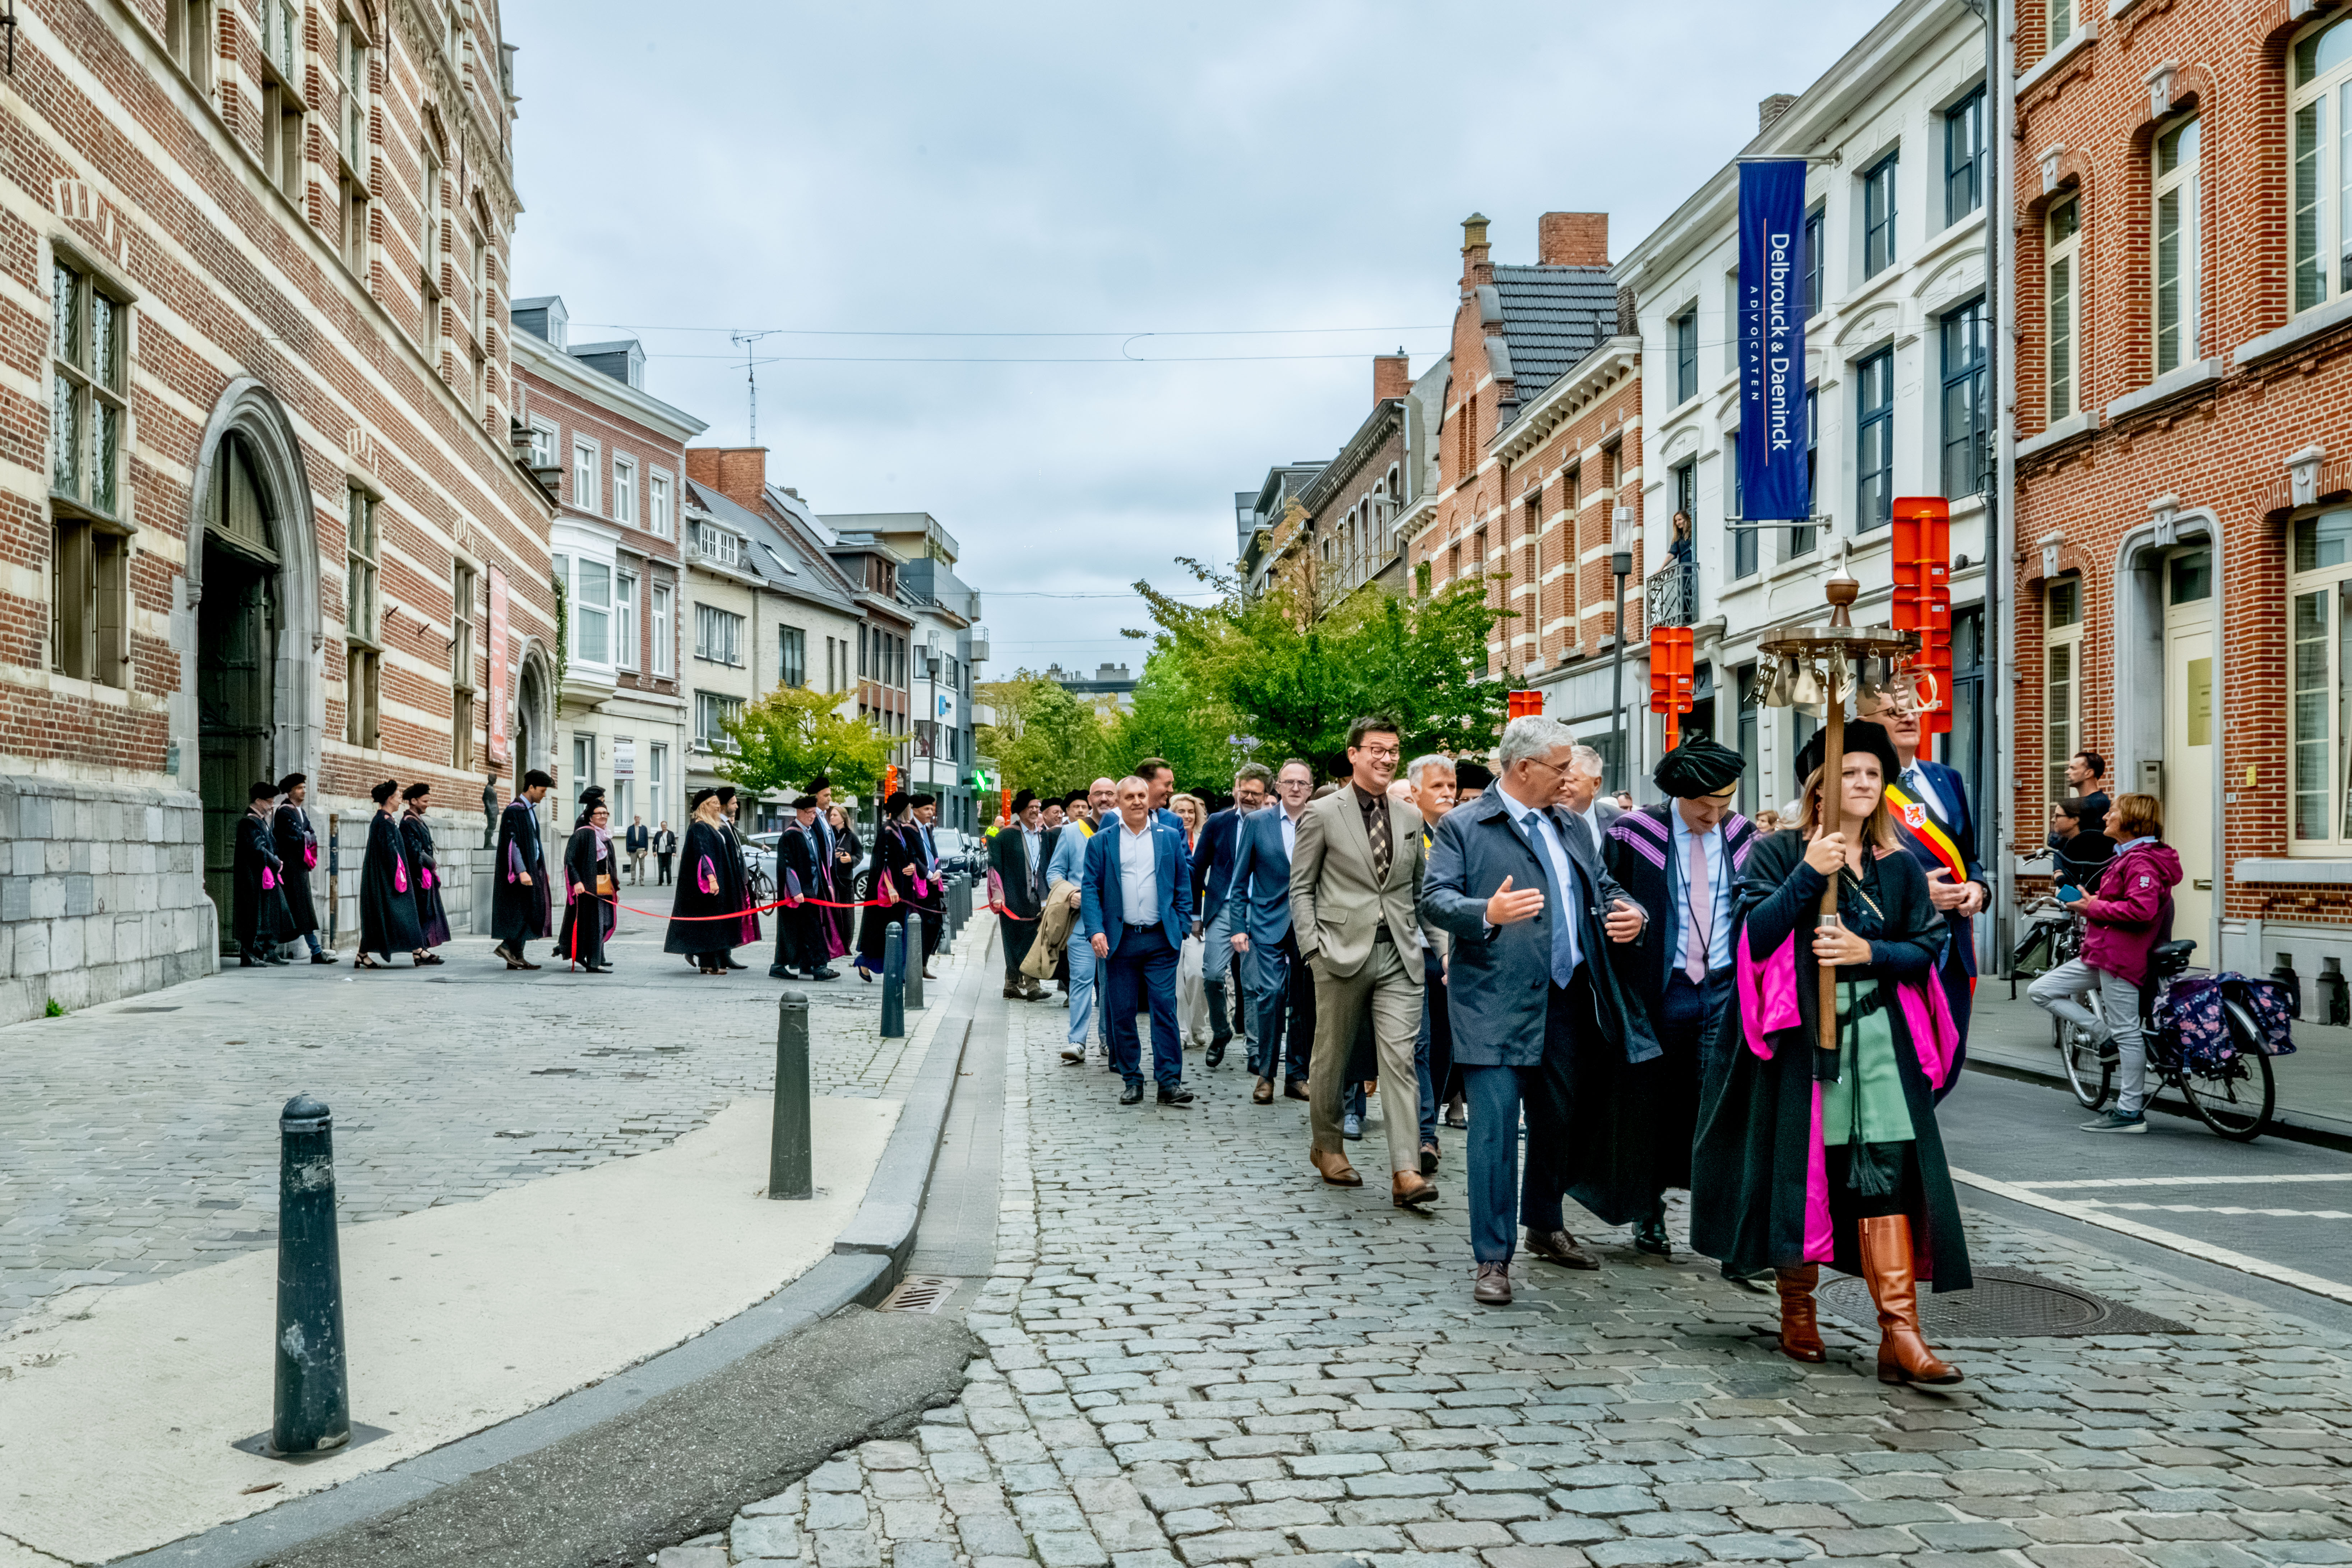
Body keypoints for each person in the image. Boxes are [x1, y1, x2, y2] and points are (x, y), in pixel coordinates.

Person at [1691, 719, 1971, 1385]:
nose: (1865, 784)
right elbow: (1753, 938)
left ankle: (1900, 1335)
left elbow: (1927, 945)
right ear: (1820, 786)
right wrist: (1805, 876)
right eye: (1852, 773)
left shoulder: (1898, 864)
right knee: (1801, 1176)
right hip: (1797, 1047)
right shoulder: (1774, 852)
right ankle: (1797, 1311)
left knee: (1883, 1176)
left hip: (1877, 1042)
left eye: (1874, 774)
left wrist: (1866, 951)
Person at [1420, 715, 1653, 1304]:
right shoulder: (1465, 826)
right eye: (1560, 767)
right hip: (1492, 1000)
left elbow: (1602, 886)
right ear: (1524, 768)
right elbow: (1435, 899)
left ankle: (1545, 1224)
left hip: (1569, 998)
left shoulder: (1572, 825)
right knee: (1494, 1132)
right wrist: (1485, 914)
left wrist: (1631, 912)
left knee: (1560, 1121)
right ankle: (1492, 1257)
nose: (1570, 778)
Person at [1590, 736, 1757, 1261]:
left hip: (1725, 990)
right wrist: (1626, 911)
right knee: (1653, 1106)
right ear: (1678, 797)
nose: (1714, 816)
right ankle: (1649, 1210)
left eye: (1723, 805)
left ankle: (1727, 1227)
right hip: (1660, 992)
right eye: (1702, 807)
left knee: (1719, 1108)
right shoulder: (1635, 833)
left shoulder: (1742, 834)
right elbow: (1602, 891)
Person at [1292, 715, 1439, 1210]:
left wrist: (1438, 946)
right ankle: (1328, 1145)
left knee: (1400, 1061)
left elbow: (1420, 892)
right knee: (1332, 1058)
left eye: (1394, 750)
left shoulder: (1410, 816)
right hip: (1338, 952)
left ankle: (1405, 1170)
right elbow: (1301, 888)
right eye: (1377, 749)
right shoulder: (1322, 812)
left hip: (1399, 953)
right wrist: (1313, 949)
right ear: (1354, 754)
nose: (1387, 758)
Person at [1856, 684, 1988, 1084]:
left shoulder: (1946, 778)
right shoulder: (1860, 783)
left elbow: (1969, 857)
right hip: (1899, 941)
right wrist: (1915, 894)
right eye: (1893, 712)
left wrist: (1978, 889)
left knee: (1950, 1058)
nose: (1908, 718)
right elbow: (1851, 865)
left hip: (1954, 942)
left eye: (1912, 710)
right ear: (1866, 724)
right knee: (1905, 1059)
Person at [2029, 793, 2180, 1135]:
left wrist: (2091, 908)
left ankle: (2130, 1112)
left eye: (2114, 812)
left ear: (2130, 822)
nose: (2107, 816)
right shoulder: (2129, 856)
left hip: (2121, 956)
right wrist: (2092, 901)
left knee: (2128, 1031)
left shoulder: (2142, 861)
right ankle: (2103, 1035)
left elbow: (2141, 911)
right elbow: (2125, 902)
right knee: (2041, 990)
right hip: (2102, 951)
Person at [1082, 776, 1196, 1106]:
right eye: (1129, 796)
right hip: (1120, 940)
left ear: (1150, 799)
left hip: (1162, 939)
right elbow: (1091, 889)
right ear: (1117, 801)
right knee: (1122, 1011)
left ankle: (1169, 1082)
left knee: (1165, 1008)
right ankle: (1132, 1078)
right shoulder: (1102, 842)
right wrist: (1096, 930)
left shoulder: (1169, 837)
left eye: (1142, 795)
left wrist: (1183, 924)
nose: (1136, 801)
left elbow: (1181, 884)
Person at [1229, 759, 1316, 1105]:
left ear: (1310, 788)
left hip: (1311, 924)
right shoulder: (1257, 822)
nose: (1295, 788)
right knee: (1272, 995)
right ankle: (1266, 1074)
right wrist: (1238, 926)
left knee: (1305, 1001)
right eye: (1289, 782)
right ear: (1277, 786)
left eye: (1303, 783)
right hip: (1267, 922)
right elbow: (1239, 882)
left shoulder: (1320, 820)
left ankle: (1297, 1075)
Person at [1194, 764, 1272, 1072]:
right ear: (1236, 787)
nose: (1249, 797)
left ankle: (1255, 1049)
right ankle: (1221, 1030)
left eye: (1256, 793)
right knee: (1211, 973)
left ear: (1267, 794)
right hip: (1223, 908)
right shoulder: (1217, 822)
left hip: (1259, 908)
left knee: (1252, 982)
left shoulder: (1271, 824)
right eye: (1245, 791)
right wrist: (1194, 915)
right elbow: (1198, 867)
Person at [1404, 753, 1457, 1175]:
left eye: (1450, 787)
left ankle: (1428, 1120)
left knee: (1446, 1045)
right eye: (1437, 787)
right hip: (1417, 953)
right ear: (1415, 791)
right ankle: (1424, 1136)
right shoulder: (1407, 835)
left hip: (1460, 956)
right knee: (1420, 1045)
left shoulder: (1462, 834)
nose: (1447, 794)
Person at [1046, 799, 1099, 1064]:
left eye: (1110, 793)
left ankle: (1109, 1039)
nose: (1105, 798)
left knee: (1113, 986)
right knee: (1081, 981)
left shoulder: (1127, 830)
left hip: (1117, 922)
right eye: (1098, 794)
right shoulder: (1071, 832)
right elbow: (1054, 872)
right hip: (1081, 921)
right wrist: (1070, 893)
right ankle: (1077, 1041)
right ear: (1091, 800)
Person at [668, 788, 743, 975]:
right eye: (714, 803)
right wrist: (712, 879)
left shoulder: (711, 826)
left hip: (713, 884)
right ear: (704, 807)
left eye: (719, 802)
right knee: (710, 924)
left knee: (711, 924)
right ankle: (710, 964)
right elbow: (703, 855)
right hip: (707, 887)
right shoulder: (700, 827)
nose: (718, 806)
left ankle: (709, 963)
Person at [356, 778, 425, 971]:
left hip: (387, 879)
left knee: (381, 917)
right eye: (397, 797)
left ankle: (363, 954)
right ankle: (417, 949)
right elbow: (390, 853)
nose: (400, 801)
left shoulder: (384, 819)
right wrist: (400, 877)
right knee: (399, 915)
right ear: (388, 799)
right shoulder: (384, 821)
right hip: (388, 882)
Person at [770, 794, 841, 981]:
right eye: (809, 813)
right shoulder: (791, 835)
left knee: (797, 931)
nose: (812, 817)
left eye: (814, 814)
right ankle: (818, 967)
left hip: (813, 891)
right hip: (801, 894)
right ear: (800, 813)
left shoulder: (809, 834)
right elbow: (787, 865)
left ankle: (786, 966)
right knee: (808, 929)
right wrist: (796, 891)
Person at [856, 792, 924, 981]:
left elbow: (909, 855)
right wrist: (891, 887)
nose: (911, 810)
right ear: (902, 809)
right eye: (909, 807)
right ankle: (872, 963)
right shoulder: (887, 831)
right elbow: (882, 864)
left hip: (902, 889)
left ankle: (896, 970)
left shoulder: (901, 830)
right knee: (885, 929)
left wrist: (912, 866)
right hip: (890, 892)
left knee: (897, 928)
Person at [991, 789, 1051, 1000]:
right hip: (1012, 897)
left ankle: (1019, 984)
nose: (1036, 811)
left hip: (1038, 897)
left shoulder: (1044, 836)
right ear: (1021, 811)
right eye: (1031, 807)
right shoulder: (1006, 836)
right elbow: (995, 867)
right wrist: (997, 895)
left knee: (1034, 939)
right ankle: (1024, 984)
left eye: (1038, 807)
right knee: (1013, 940)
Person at [492, 770, 553, 970]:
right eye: (543, 791)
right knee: (524, 912)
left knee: (532, 909)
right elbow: (513, 843)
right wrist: (522, 871)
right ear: (531, 788)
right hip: (521, 874)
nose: (544, 795)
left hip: (532, 869)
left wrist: (539, 869)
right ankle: (507, 947)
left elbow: (534, 843)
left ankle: (517, 956)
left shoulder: (528, 810)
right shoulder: (515, 810)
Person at [272, 773, 334, 965]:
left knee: (302, 910)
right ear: (290, 791)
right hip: (289, 869)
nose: (304, 791)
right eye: (300, 788)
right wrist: (306, 836)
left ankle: (315, 951)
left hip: (299, 868)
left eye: (304, 787)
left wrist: (306, 836)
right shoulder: (285, 812)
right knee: (289, 910)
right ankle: (269, 949)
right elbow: (295, 838)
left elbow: (310, 834)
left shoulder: (300, 812)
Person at [1170, 793, 1213, 1049]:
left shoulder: (1205, 841)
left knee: (1198, 973)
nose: (1186, 816)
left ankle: (1199, 1023)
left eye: (1190, 811)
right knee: (1176, 980)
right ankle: (1182, 1029)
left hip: (1203, 913)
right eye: (1180, 811)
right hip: (1174, 915)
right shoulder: (1166, 837)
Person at [232, 780, 292, 967]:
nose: (272, 805)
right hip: (252, 878)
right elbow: (258, 849)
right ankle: (248, 953)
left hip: (264, 878)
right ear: (258, 801)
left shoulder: (261, 821)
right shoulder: (249, 822)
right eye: (269, 801)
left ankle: (269, 950)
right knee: (252, 914)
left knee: (272, 913)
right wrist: (276, 861)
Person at [559, 797, 617, 973]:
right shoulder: (583, 834)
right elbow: (570, 860)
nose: (603, 816)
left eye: (605, 813)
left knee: (605, 922)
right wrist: (577, 881)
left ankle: (594, 958)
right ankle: (593, 963)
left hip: (604, 888)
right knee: (595, 925)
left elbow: (611, 864)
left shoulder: (606, 836)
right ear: (590, 817)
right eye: (599, 813)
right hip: (588, 890)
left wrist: (615, 888)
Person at [400, 782, 451, 965]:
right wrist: (430, 862)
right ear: (413, 801)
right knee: (424, 913)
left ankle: (421, 952)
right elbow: (413, 850)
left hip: (425, 875)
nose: (427, 804)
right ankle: (420, 951)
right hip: (418, 876)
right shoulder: (408, 823)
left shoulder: (416, 820)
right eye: (424, 801)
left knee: (428, 912)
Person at [714, 787, 759, 965]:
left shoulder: (727, 825)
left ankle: (726, 955)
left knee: (732, 918)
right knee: (725, 919)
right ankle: (722, 955)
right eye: (734, 803)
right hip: (726, 882)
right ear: (724, 805)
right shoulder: (719, 825)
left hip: (735, 880)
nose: (737, 806)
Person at [1557, 743, 1621, 857]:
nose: (1562, 787)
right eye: (1559, 780)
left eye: (1571, 781)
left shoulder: (1620, 821)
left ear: (1596, 784)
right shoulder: (1540, 820)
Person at [821, 796, 861, 959]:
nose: (832, 817)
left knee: (847, 914)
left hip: (846, 881)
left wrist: (850, 859)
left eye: (835, 815)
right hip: (831, 881)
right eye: (831, 815)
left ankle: (846, 944)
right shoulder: (828, 834)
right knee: (832, 913)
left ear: (843, 818)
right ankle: (833, 943)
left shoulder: (851, 836)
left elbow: (859, 854)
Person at [911, 794, 946, 979]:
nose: (931, 813)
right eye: (927, 809)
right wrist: (929, 874)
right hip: (919, 886)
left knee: (935, 925)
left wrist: (938, 870)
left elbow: (934, 853)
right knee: (921, 925)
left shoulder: (929, 829)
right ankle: (917, 965)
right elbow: (914, 857)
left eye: (932, 809)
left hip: (933, 885)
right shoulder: (910, 829)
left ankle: (924, 963)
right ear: (915, 810)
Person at [2049, 796, 2116, 891]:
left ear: (2075, 819)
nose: (2053, 820)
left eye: (2058, 816)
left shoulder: (2093, 843)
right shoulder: (2064, 844)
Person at [2061, 751, 2111, 837]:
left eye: (2073, 768)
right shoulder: (2098, 801)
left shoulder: (2097, 804)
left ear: (2089, 773)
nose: (2067, 772)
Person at [1134, 758, 1188, 832]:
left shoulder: (1174, 822)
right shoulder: (1117, 818)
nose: (1171, 790)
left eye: (1172, 784)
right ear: (1144, 784)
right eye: (1167, 784)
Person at [626, 814, 651, 884]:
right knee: (633, 865)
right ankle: (633, 880)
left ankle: (642, 880)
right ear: (634, 819)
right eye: (636, 817)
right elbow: (627, 839)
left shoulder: (644, 828)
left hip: (641, 849)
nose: (637, 819)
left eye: (638, 817)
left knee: (642, 865)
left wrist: (646, 850)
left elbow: (647, 839)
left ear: (640, 818)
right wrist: (627, 850)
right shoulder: (630, 828)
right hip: (633, 849)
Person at [654, 820, 678, 885]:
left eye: (665, 825)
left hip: (668, 853)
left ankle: (669, 882)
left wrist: (674, 852)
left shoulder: (671, 833)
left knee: (668, 867)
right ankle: (660, 882)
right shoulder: (658, 834)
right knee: (661, 867)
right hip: (660, 852)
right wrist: (654, 851)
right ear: (661, 826)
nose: (664, 826)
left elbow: (674, 844)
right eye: (663, 825)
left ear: (667, 826)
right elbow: (655, 843)